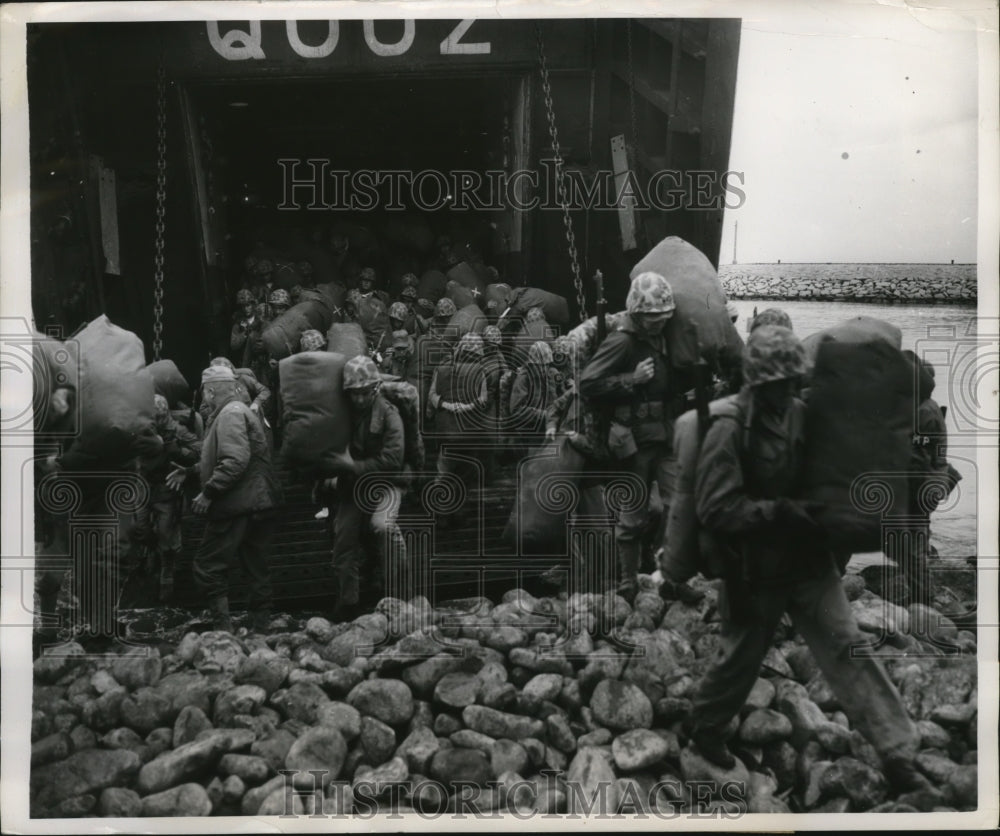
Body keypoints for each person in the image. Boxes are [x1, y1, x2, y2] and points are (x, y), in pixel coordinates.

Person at [685, 325, 926, 791]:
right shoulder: (729, 430)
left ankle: (898, 751)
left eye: (795, 380)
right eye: (780, 382)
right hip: (756, 567)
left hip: (809, 561)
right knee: (741, 658)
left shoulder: (804, 414)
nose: (790, 390)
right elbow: (715, 507)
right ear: (757, 381)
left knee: (847, 645)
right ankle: (706, 727)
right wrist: (777, 510)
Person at [578, 271, 678, 602]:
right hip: (635, 441)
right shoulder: (622, 341)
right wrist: (630, 379)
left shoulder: (665, 338)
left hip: (664, 435)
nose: (659, 322)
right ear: (637, 313)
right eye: (652, 317)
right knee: (633, 513)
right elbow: (588, 383)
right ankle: (627, 581)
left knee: (672, 506)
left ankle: (667, 574)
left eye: (663, 316)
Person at [167, 364, 280, 631]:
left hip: (236, 505)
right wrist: (194, 471)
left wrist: (208, 492)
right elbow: (237, 455)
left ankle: (223, 630)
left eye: (205, 392)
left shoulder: (228, 415)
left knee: (207, 565)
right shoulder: (238, 410)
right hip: (258, 502)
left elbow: (234, 460)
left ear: (210, 392)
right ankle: (260, 627)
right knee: (255, 565)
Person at [324, 356, 408, 620]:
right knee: (343, 538)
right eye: (354, 394)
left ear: (374, 389)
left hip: (388, 483)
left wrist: (351, 467)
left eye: (364, 393)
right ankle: (348, 602)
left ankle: (398, 594)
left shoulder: (389, 414)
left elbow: (393, 460)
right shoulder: (343, 414)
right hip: (353, 487)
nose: (359, 399)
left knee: (383, 526)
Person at [885, 352, 961, 606]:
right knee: (910, 542)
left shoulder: (924, 412)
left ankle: (922, 600)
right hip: (922, 482)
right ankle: (921, 594)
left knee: (911, 545)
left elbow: (914, 459)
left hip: (920, 484)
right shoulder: (920, 406)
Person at [136, 395, 202, 602]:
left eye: (161, 415)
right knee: (140, 527)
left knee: (166, 532)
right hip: (143, 485)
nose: (157, 419)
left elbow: (200, 449)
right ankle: (149, 549)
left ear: (165, 414)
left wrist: (178, 451)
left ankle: (167, 568)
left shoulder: (178, 430)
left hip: (167, 486)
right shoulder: (140, 427)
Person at [510, 341, 560, 440]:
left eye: (546, 365)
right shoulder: (523, 379)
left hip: (550, 425)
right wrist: (542, 414)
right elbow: (516, 410)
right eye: (539, 365)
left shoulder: (552, 373)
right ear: (531, 364)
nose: (543, 369)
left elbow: (561, 393)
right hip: (529, 431)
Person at [230, 289, 267, 377]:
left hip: (261, 364)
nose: (246, 308)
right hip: (244, 364)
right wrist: (244, 334)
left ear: (253, 304)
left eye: (248, 305)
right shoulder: (238, 325)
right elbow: (233, 345)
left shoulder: (261, 321)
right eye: (243, 306)